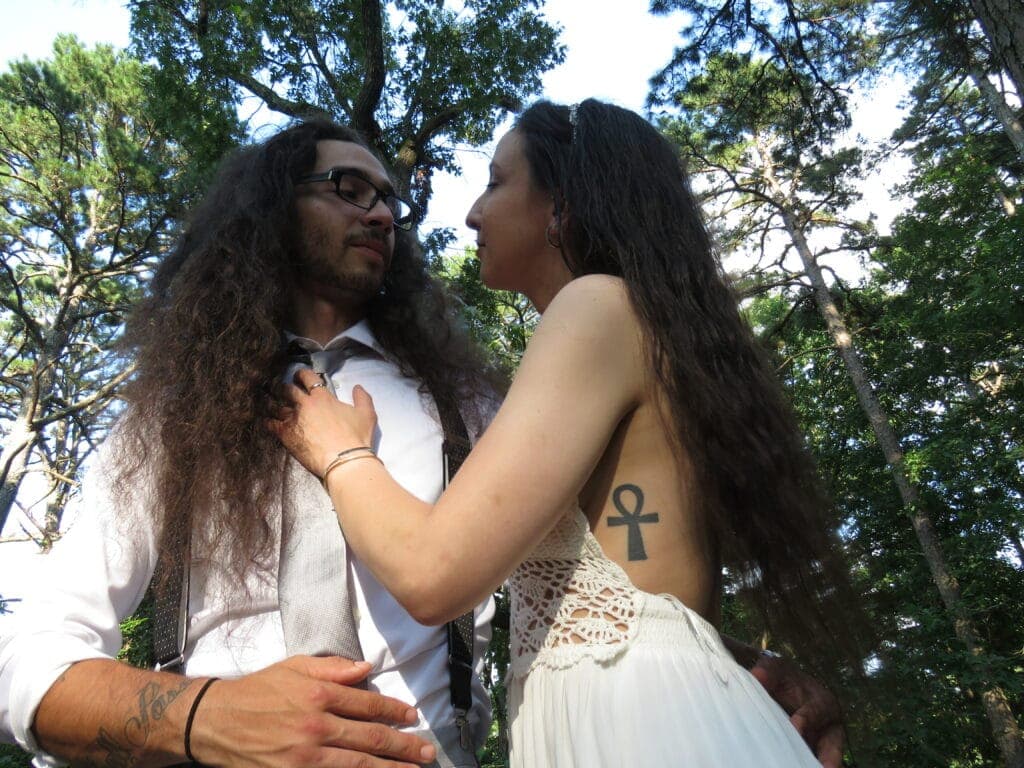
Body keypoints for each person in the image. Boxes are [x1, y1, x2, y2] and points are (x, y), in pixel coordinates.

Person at [0, 116, 842, 768]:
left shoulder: (473, 405)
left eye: (389, 198)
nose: (383, 211)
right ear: (268, 210)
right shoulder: (168, 417)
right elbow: (31, 667)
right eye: (347, 187)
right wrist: (204, 717)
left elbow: (585, 582)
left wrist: (747, 669)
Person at [272, 100, 862, 767]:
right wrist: (755, 663)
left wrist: (339, 451)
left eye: (496, 182)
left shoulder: (595, 306)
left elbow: (432, 575)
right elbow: (636, 600)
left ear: (561, 206)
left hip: (638, 725)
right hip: (657, 711)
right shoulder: (640, 328)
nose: (473, 214)